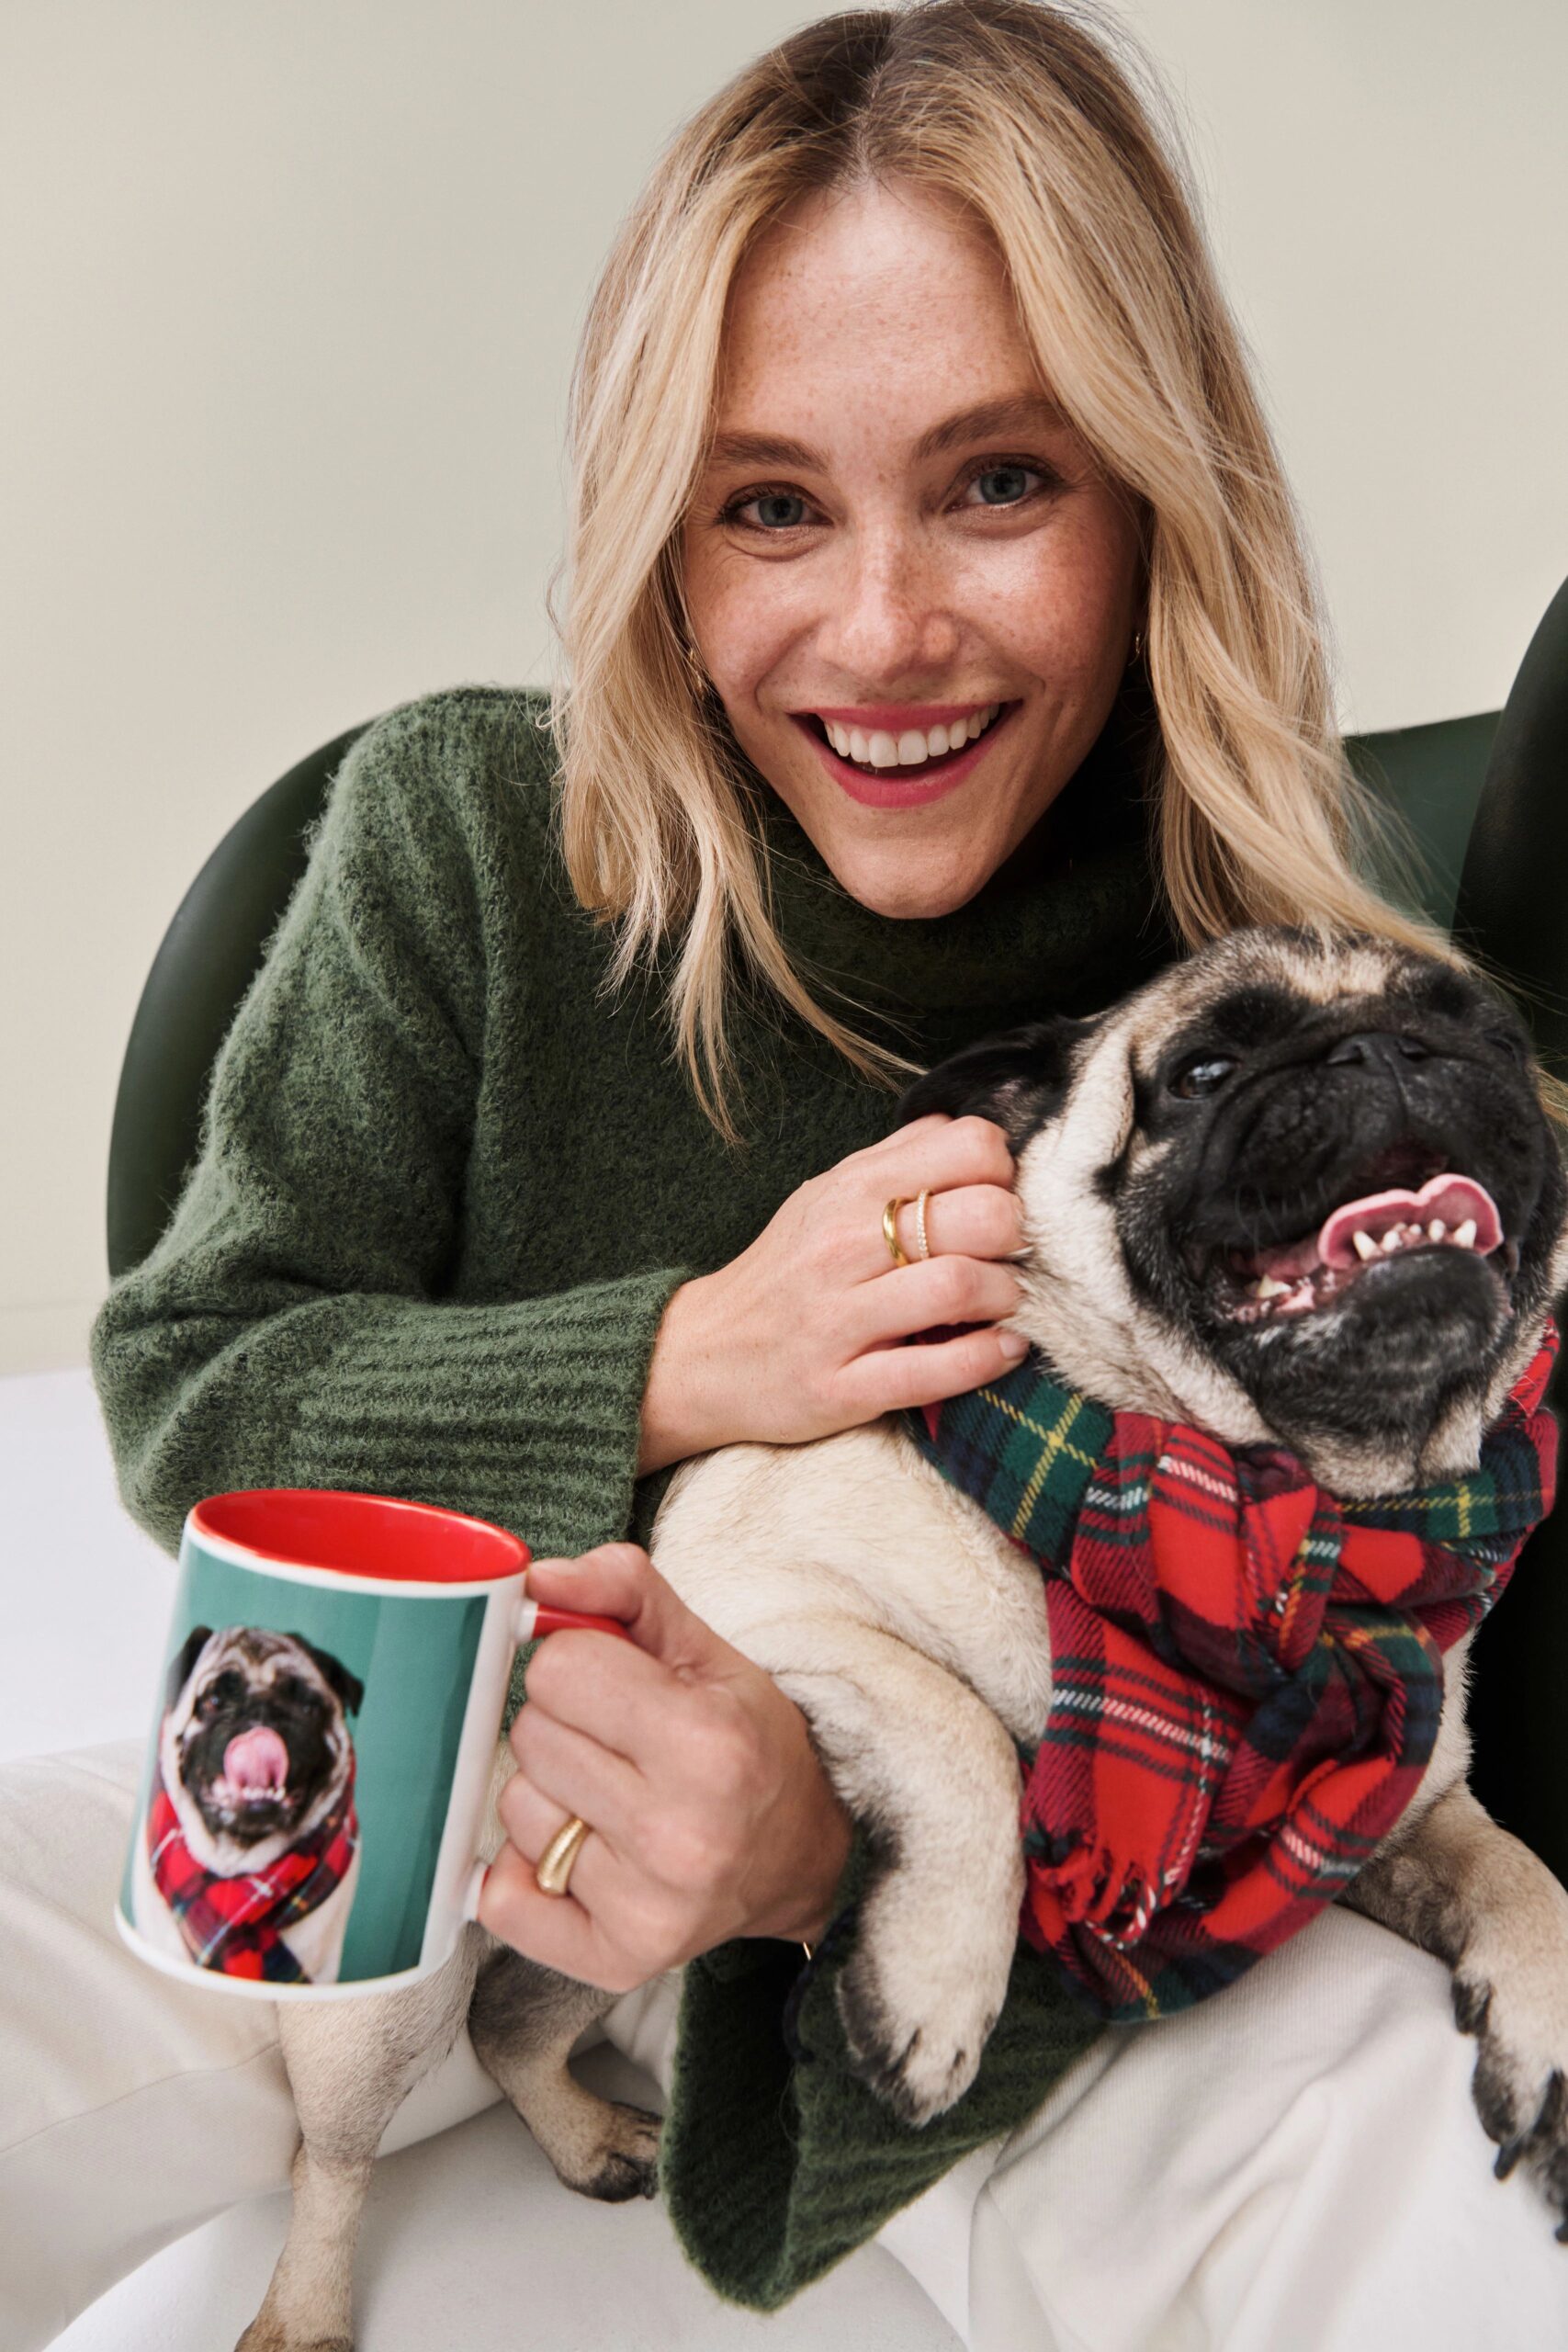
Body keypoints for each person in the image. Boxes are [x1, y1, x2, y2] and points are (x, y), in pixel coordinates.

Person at [4, 4, 1563, 2346]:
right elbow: (192, 1384)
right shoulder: (466, 843)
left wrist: (827, 1852)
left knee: (1427, 2172)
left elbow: (1310, 1712)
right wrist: (685, 1355)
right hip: (412, 1803)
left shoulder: (1249, 1017)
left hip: (981, 1945)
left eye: (997, 480)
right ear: (660, 539)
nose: (879, 628)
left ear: (1154, 496)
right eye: (767, 504)